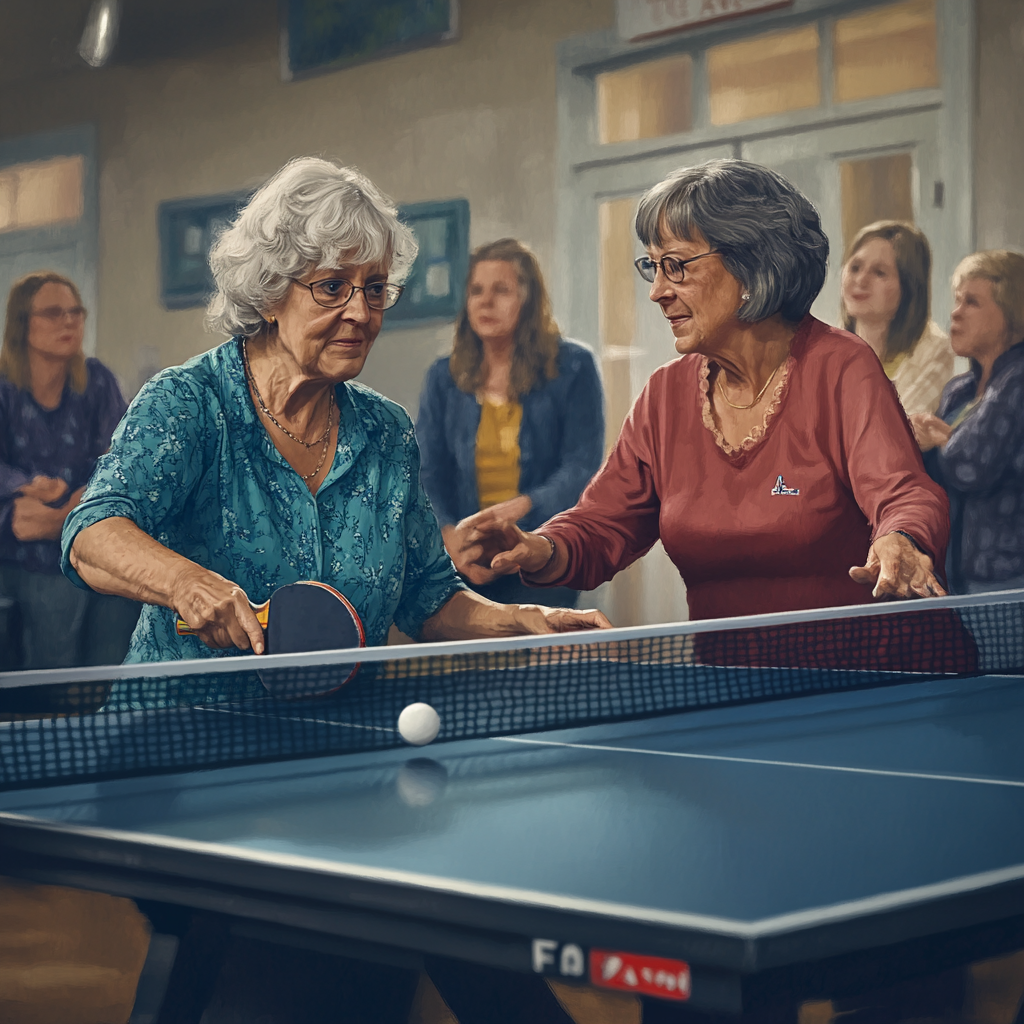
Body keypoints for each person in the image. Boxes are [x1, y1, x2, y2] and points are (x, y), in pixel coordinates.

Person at [60, 158, 607, 682]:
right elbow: (92, 533)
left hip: (340, 733)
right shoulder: (191, 402)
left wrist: (523, 620)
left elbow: (429, 597)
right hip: (184, 733)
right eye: (332, 287)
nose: (361, 313)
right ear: (271, 291)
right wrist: (186, 581)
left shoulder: (387, 431)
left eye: (374, 289)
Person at [458, 159, 952, 628]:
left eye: (676, 266)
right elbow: (603, 523)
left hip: (870, 679)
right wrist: (541, 547)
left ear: (752, 263)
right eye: (653, 267)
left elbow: (902, 490)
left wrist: (900, 537)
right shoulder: (665, 396)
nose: (657, 291)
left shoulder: (841, 366)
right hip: (734, 683)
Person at [416, 238, 604, 609]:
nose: (485, 302)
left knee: (534, 664)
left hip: (543, 554)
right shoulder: (444, 376)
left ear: (528, 300)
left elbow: (581, 467)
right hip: (463, 562)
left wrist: (520, 510)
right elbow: (426, 473)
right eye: (476, 291)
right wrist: (450, 539)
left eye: (501, 290)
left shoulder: (574, 367)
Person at [0, 271, 139, 670]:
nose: (69, 322)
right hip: (25, 545)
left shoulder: (96, 380)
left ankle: (102, 711)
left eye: (75, 312)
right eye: (54, 313)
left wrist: (67, 512)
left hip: (89, 526)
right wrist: (25, 485)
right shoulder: (3, 387)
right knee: (52, 579)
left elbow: (121, 454)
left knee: (120, 586)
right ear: (22, 323)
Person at [911, 250, 1024, 594]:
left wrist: (942, 441)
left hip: (1005, 579)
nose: (955, 314)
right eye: (957, 300)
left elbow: (970, 466)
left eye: (972, 302)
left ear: (1013, 312)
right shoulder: (960, 391)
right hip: (958, 573)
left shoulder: (1018, 380)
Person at [840, 220, 955, 416]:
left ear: (908, 288)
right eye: (855, 267)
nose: (861, 280)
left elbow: (898, 432)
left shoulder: (933, 349)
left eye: (879, 273)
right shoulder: (825, 349)